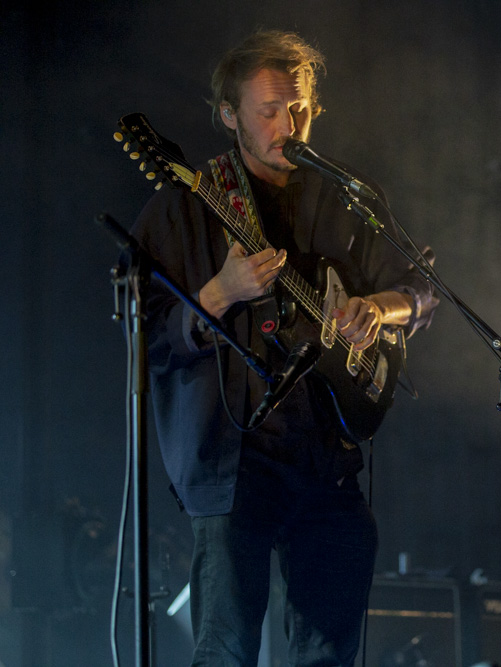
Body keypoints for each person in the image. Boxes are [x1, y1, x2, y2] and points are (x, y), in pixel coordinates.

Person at [130, 30, 437, 666]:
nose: (287, 125)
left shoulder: (350, 196)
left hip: (328, 455)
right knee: (226, 651)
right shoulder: (183, 206)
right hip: (232, 461)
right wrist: (220, 292)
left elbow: (421, 287)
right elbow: (144, 337)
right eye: (268, 111)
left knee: (328, 651)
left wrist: (377, 310)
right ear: (229, 115)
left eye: (297, 109)